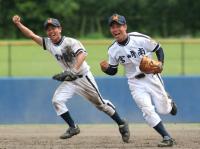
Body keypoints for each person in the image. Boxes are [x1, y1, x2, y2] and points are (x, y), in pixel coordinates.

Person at [12, 15, 130, 143]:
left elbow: (82, 54)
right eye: (48, 29)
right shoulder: (48, 43)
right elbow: (32, 36)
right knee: (57, 100)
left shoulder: (70, 42)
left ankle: (121, 123)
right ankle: (73, 127)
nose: (51, 31)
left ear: (60, 29)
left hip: (83, 77)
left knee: (100, 104)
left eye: (54, 28)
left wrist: (73, 70)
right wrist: (18, 24)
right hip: (69, 79)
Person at [100, 13, 177, 147]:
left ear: (125, 26)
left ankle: (169, 102)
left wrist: (160, 63)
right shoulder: (112, 49)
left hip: (151, 77)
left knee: (164, 110)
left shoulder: (139, 38)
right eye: (112, 27)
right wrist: (106, 69)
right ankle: (167, 137)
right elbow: (113, 70)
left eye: (118, 26)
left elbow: (158, 48)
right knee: (147, 110)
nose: (115, 29)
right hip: (134, 82)